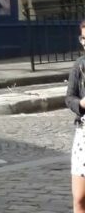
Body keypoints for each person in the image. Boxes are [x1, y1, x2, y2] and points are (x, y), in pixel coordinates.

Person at [66, 18, 85, 213]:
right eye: (84, 38)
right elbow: (69, 97)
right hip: (83, 136)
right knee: (79, 198)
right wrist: (80, 103)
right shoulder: (79, 65)